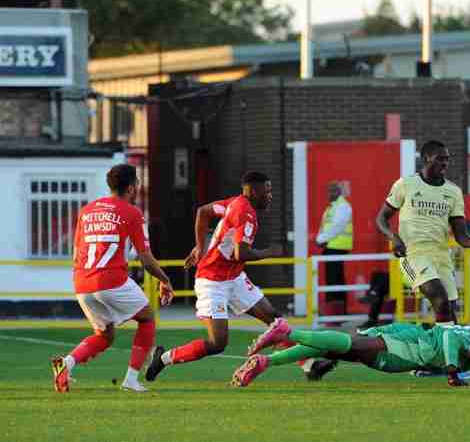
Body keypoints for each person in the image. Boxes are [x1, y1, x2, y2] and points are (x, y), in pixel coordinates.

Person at [145, 171, 335, 382]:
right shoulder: (246, 213)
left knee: (275, 320)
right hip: (212, 281)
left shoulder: (234, 202)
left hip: (233, 278)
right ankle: (163, 358)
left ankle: (309, 365)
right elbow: (241, 253)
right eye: (267, 190)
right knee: (217, 343)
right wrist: (269, 252)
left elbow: (203, 212)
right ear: (254, 191)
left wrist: (200, 247)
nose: (270, 195)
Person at [50, 164, 175, 393]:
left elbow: (76, 253)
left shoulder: (87, 210)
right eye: (137, 183)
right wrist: (165, 280)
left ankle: (66, 364)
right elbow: (146, 260)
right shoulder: (132, 213)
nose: (138, 187)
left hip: (82, 281)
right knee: (147, 318)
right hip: (111, 280)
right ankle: (131, 380)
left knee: (105, 336)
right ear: (131, 187)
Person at [375, 140, 470, 326]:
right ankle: (443, 349)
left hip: (441, 257)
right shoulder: (405, 184)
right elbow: (381, 219)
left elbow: (461, 237)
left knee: (450, 314)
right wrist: (393, 237)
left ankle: (443, 350)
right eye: (440, 159)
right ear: (426, 158)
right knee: (440, 300)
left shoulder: (453, 192)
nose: (445, 163)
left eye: (447, 160)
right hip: (412, 255)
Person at [235, 317, 470, 387]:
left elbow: (450, 333)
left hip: (413, 337)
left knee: (337, 349)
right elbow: (450, 338)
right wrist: (451, 370)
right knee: (351, 345)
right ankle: (287, 331)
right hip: (413, 347)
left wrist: (436, 370)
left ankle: (266, 362)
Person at [315, 181, 353, 313]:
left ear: (338, 192)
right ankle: (335, 311)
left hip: (338, 246)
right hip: (331, 246)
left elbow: (337, 227)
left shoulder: (343, 206)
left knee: (335, 279)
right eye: (328, 191)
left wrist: (321, 239)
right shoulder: (332, 207)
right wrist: (320, 239)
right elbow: (324, 225)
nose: (329, 194)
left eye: (332, 191)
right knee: (334, 279)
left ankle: (337, 312)